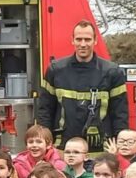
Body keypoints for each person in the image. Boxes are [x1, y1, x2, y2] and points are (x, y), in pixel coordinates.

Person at [36, 20, 129, 151]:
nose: (83, 44)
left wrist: (120, 145)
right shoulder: (56, 70)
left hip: (101, 149)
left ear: (95, 40)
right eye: (79, 39)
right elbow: (45, 110)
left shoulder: (112, 72)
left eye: (87, 39)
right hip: (63, 148)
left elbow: (120, 114)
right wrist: (44, 143)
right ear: (72, 40)